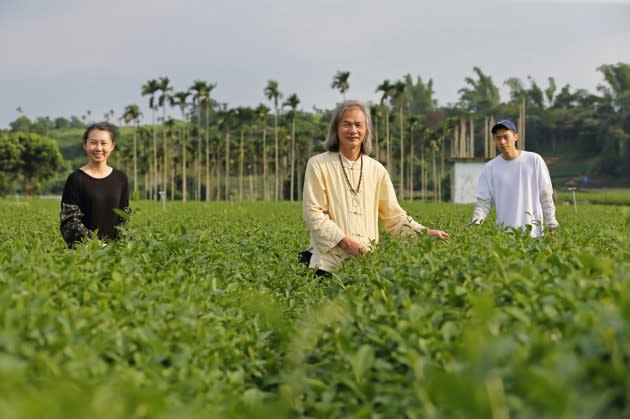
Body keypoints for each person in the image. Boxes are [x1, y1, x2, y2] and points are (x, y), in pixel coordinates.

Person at [301, 100, 449, 276]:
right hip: (326, 264)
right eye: (346, 124)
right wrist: (345, 243)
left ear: (366, 130)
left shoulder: (377, 169)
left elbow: (394, 217)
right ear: (336, 128)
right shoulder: (318, 164)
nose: (353, 130)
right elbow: (314, 213)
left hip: (365, 265)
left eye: (358, 125)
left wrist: (425, 233)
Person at [470, 119, 559, 237]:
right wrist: (474, 226)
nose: (502, 141)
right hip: (504, 236)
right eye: (498, 138)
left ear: (516, 136)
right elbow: (483, 203)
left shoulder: (534, 160)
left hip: (534, 234)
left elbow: (546, 196)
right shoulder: (490, 168)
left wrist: (551, 225)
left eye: (506, 137)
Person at [60, 122, 131, 247]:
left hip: (114, 255)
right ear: (85, 145)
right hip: (83, 255)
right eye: (93, 142)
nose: (98, 148)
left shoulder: (121, 179)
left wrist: (117, 248)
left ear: (112, 146)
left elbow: (123, 219)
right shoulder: (76, 179)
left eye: (104, 143)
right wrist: (96, 245)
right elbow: (69, 223)